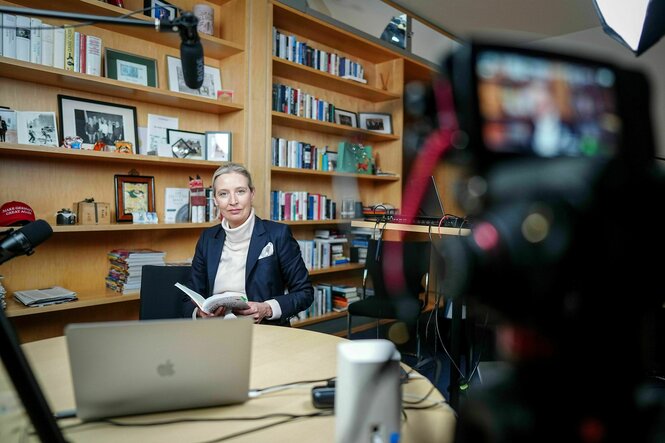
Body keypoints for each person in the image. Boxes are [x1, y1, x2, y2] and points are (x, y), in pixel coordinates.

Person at [184, 162, 313, 325]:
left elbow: (305, 293)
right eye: (223, 194)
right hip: (216, 331)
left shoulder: (278, 234)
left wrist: (267, 308)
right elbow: (189, 297)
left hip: (264, 331)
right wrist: (199, 312)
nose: (233, 201)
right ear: (215, 200)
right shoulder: (208, 238)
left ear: (252, 194)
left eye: (240, 191)